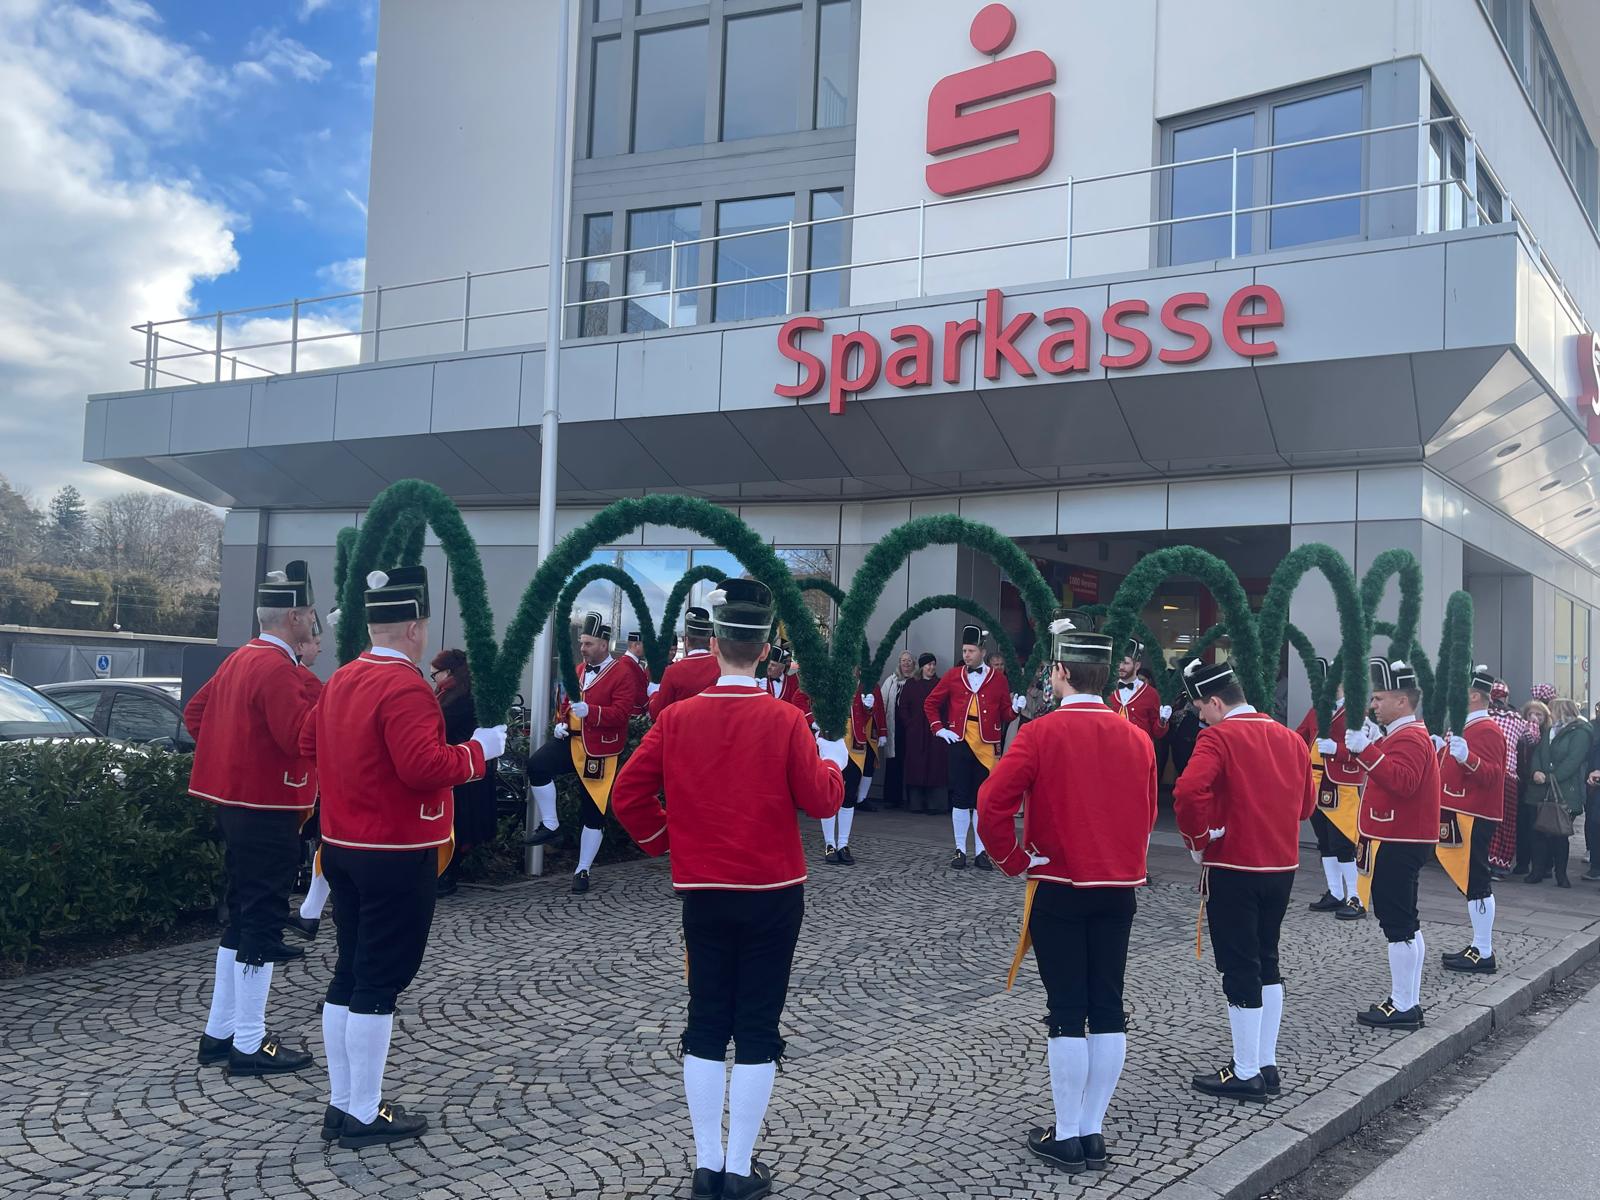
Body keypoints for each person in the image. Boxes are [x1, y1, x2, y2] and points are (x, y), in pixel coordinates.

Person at [610, 579, 846, 1200]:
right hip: (773, 890)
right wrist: (833, 761)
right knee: (758, 1025)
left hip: (705, 889)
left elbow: (628, 794)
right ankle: (738, 1167)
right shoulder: (786, 719)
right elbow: (822, 800)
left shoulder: (678, 718)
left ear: (714, 645)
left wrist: (668, 840)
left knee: (707, 1021)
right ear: (765, 651)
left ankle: (706, 1163)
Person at [300, 565, 505, 1148]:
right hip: (394, 849)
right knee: (379, 981)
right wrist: (479, 751)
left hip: (343, 845)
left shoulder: (342, 677)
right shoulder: (407, 686)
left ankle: (343, 1103)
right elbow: (423, 767)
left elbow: (309, 743)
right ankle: (363, 1112)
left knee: (350, 972)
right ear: (414, 626)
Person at [976, 620, 1156, 1174]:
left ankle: (1069, 1132)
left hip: (1058, 884)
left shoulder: (1039, 732)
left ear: (1060, 671)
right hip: (1118, 887)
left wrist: (1013, 860)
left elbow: (991, 804)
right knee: (1108, 1006)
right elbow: (1148, 813)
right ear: (1104, 675)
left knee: (1066, 1009)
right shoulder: (1137, 737)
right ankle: (1092, 1130)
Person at [185, 560, 323, 1077]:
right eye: (310, 614)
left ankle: (219, 1033)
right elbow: (300, 738)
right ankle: (248, 1041)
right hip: (268, 807)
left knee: (243, 916)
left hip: (235, 805)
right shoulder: (279, 668)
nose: (314, 623)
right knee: (261, 922)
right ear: (294, 617)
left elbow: (195, 715)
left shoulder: (240, 658)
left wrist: (233, 760)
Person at [1175, 659, 1316, 1102]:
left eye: (1202, 708)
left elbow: (1186, 792)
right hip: (1282, 867)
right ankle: (1265, 1062)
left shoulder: (1218, 738)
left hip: (1234, 865)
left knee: (1239, 967)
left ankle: (1246, 1070)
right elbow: (1306, 807)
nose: (1201, 718)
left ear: (1216, 702)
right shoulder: (1291, 738)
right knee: (1267, 960)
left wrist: (1199, 840)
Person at [1344, 659, 1440, 1030]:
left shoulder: (1410, 736)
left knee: (1398, 924)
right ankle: (1407, 1001)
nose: (1373, 705)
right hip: (1400, 837)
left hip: (1399, 839)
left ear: (1402, 701)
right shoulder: (1404, 734)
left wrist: (1367, 751)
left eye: (1379, 698)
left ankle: (1403, 1005)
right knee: (1405, 923)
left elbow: (1402, 782)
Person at [522, 613, 645, 894]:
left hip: (600, 749)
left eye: (588, 643)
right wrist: (561, 722)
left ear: (603, 644)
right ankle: (551, 823)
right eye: (581, 642)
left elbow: (621, 714)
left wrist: (593, 711)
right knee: (537, 765)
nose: (583, 648)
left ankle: (583, 869)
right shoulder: (579, 669)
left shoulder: (622, 673)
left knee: (592, 811)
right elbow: (567, 703)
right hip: (572, 740)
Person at [925, 625, 1025, 869]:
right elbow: (930, 703)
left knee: (983, 800)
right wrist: (939, 728)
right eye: (964, 651)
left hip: (987, 745)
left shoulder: (999, 679)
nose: (967, 655)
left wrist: (1015, 709)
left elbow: (1005, 714)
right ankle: (960, 849)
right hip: (959, 741)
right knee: (960, 797)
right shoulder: (953, 675)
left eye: (971, 651)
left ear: (982, 651)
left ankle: (982, 851)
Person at [1436, 666, 1508, 973]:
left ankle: (1483, 950)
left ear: (1475, 696)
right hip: (1462, 811)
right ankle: (1479, 945)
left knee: (1476, 880)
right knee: (1471, 880)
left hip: (1474, 814)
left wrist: (1468, 758)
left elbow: (1493, 775)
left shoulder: (1487, 729)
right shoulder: (1466, 726)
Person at [1296, 661, 1364, 920]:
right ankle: (1335, 892)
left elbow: (1365, 751)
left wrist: (1338, 751)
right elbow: (1300, 736)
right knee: (1324, 841)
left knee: (1343, 842)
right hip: (1315, 783)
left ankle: (1356, 897)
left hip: (1341, 784)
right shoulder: (1317, 709)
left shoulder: (1356, 712)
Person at [430, 649, 499, 898]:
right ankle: (445, 873)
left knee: (458, 823)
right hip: (460, 767)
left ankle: (447, 875)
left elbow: (441, 726)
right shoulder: (451, 693)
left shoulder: (460, 698)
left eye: (434, 674)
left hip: (463, 770)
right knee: (456, 822)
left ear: (448, 672)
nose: (433, 679)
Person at [289, 613, 331, 940]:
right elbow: (309, 737)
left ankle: (310, 912)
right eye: (315, 642)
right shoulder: (307, 681)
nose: (319, 648)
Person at [1523, 697, 1593, 887]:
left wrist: (1549, 777)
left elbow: (1573, 761)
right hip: (1538, 790)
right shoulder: (1549, 730)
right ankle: (1537, 871)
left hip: (1564, 791)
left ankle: (1561, 874)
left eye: (1552, 709)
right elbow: (1538, 752)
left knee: (1559, 834)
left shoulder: (1580, 732)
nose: (1549, 713)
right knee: (1537, 832)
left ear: (1561, 711)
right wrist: (1536, 771)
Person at [821, 671, 884, 865]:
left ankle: (843, 843)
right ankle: (829, 844)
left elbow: (867, 715)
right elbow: (804, 700)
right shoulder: (828, 680)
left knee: (849, 795)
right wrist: (814, 720)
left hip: (856, 744)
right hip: (833, 741)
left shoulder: (864, 685)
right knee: (830, 794)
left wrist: (869, 708)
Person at [1485, 681, 1526, 879]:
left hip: (1483, 773)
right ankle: (1500, 865)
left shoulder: (1479, 716)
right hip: (1508, 776)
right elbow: (1532, 736)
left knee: (1482, 819)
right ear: (1506, 697)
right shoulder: (1516, 718)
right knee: (1506, 821)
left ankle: (1481, 861)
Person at [648, 607, 721, 718]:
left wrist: (653, 693)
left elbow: (656, 712)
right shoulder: (721, 667)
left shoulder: (673, 672)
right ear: (710, 641)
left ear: (686, 641)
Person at [898, 653, 948, 814]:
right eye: (928, 664)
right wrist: (910, 724)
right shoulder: (911, 684)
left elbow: (946, 707)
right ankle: (916, 804)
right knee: (916, 766)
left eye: (933, 664)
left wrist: (942, 727)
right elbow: (903, 707)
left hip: (935, 732)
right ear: (922, 667)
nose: (931, 667)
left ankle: (935, 804)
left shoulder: (940, 684)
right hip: (916, 733)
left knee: (935, 766)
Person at [1514, 698, 1551, 874]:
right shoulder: (1520, 733)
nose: (1534, 718)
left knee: (1541, 827)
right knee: (1522, 825)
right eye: (1531, 714)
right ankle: (1522, 862)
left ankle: (1544, 865)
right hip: (1522, 784)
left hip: (1540, 786)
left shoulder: (1547, 735)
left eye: (1539, 714)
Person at [1111, 642, 1170, 747]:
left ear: (1137, 665)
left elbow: (1157, 733)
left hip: (1140, 750)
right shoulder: (1108, 690)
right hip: (1112, 748)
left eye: (1126, 663)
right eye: (1119, 662)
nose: (1121, 667)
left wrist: (1162, 722)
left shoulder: (1151, 693)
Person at [879, 650, 917, 810]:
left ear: (914, 663)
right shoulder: (891, 680)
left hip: (911, 727)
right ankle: (892, 798)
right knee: (893, 762)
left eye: (909, 661)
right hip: (894, 726)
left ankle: (912, 800)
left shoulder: (917, 681)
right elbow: (882, 702)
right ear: (899, 663)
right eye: (903, 661)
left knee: (912, 762)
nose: (906, 664)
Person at [620, 630, 651, 717]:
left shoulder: (631, 662)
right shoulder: (627, 664)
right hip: (634, 714)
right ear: (636, 645)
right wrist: (648, 706)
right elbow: (636, 691)